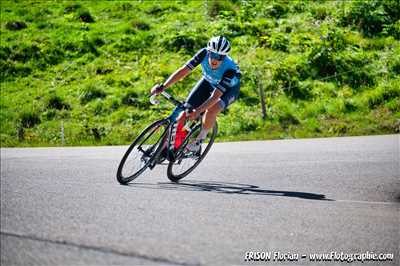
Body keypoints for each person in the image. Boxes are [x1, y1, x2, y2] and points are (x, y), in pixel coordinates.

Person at [150, 36, 241, 152]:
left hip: (228, 90)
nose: (215, 60)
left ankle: (199, 141)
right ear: (208, 52)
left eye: (220, 57)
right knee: (184, 112)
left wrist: (197, 111)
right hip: (208, 81)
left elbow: (215, 96)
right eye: (213, 55)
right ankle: (173, 146)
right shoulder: (203, 53)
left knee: (212, 108)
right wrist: (163, 86)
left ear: (225, 56)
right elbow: (184, 70)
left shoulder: (230, 69)